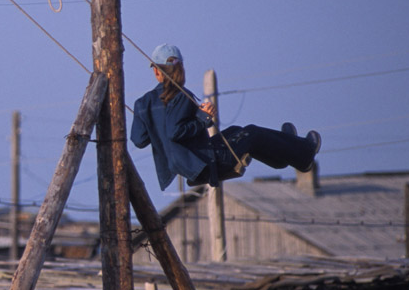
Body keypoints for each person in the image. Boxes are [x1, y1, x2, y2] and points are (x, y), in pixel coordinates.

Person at [131, 43, 321, 190]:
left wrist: (151, 123)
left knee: (236, 131)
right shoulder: (180, 95)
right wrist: (202, 118)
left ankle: (282, 156)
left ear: (156, 71)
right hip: (203, 163)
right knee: (252, 133)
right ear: (181, 68)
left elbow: (139, 140)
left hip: (190, 167)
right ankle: (304, 154)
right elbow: (175, 131)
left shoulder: (142, 103)